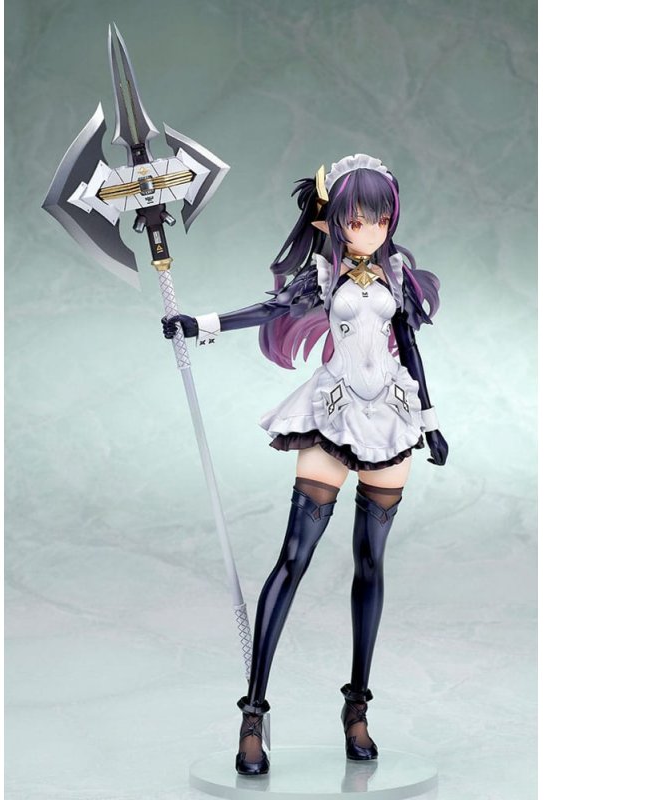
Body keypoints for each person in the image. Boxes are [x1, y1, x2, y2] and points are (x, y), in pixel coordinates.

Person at [162, 154, 448, 775]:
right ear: (334, 220)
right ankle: (253, 716)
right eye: (356, 219)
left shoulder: (398, 273)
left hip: (392, 418)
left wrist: (430, 421)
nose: (368, 230)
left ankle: (357, 708)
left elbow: (410, 348)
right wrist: (200, 323)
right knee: (294, 558)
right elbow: (269, 311)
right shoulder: (323, 274)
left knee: (371, 564)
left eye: (379, 219)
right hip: (333, 414)